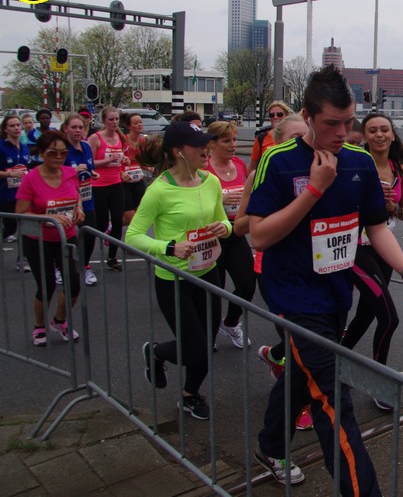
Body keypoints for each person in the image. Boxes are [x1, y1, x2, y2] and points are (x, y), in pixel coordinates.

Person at [247, 65, 403, 490]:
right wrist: (314, 189)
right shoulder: (279, 160)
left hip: (335, 292)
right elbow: (258, 235)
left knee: (301, 375)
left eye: (348, 122)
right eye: (332, 123)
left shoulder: (359, 162)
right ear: (309, 116)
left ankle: (270, 445)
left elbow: (376, 226)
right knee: (332, 396)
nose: (343, 133)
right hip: (293, 296)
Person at [126, 121, 231, 421]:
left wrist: (222, 227)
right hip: (174, 280)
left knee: (206, 345)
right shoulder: (158, 190)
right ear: (178, 152)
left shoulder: (211, 182)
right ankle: (156, 353)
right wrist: (169, 248)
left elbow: (225, 221)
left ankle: (189, 395)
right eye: (199, 145)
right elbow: (132, 236)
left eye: (207, 143)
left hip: (208, 273)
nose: (206, 149)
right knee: (194, 349)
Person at [241, 114, 316, 431]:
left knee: (309, 340)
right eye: (294, 139)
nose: (302, 144)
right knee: (301, 344)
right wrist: (275, 213)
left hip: (313, 265)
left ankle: (275, 357)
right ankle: (296, 408)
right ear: (276, 143)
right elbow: (241, 226)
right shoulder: (263, 173)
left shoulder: (321, 170)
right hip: (274, 268)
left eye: (306, 136)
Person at [340, 112, 403, 411]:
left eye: (385, 129)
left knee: (366, 314)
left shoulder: (401, 170)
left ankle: (334, 361)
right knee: (388, 317)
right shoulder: (357, 164)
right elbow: (342, 207)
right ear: (365, 137)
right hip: (356, 248)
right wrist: (370, 201)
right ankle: (378, 383)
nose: (380, 135)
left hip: (383, 248)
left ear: (393, 135)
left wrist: (392, 207)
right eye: (373, 130)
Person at [16, 130, 84, 347]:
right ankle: (39, 326)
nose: (58, 157)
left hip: (67, 237)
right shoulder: (30, 178)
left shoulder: (70, 173)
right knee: (46, 286)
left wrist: (79, 209)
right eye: (52, 153)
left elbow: (76, 196)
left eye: (63, 153)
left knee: (74, 284)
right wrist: (49, 217)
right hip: (38, 239)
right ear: (42, 153)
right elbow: (21, 212)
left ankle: (60, 320)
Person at [205, 120, 254, 349]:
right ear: (212, 144)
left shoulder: (240, 165)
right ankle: (208, 334)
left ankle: (231, 323)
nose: (233, 144)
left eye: (234, 139)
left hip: (235, 232)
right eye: (227, 141)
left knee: (247, 285)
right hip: (212, 235)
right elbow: (194, 202)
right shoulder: (204, 169)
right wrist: (220, 199)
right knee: (214, 290)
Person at [89, 106, 128, 272]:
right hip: (99, 185)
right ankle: (84, 252)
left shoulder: (119, 137)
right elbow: (89, 163)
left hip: (116, 183)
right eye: (111, 119)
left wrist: (123, 160)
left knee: (118, 221)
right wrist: (107, 160)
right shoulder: (95, 138)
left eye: (117, 119)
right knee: (101, 223)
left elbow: (119, 158)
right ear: (104, 120)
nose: (114, 122)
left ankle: (112, 257)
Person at [62, 114, 99, 286]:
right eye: (74, 127)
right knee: (65, 236)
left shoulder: (86, 146)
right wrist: (73, 171)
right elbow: (54, 173)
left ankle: (85, 265)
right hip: (67, 200)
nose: (78, 131)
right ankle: (60, 267)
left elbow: (90, 167)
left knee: (89, 233)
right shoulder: (62, 149)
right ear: (65, 129)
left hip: (86, 198)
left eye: (80, 127)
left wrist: (92, 173)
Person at [0, 113, 31, 254]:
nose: (16, 128)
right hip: (6, 193)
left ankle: (23, 258)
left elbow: (27, 167)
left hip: (23, 194)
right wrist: (9, 174)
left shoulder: (24, 147)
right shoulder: (1, 147)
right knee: (10, 227)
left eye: (18, 125)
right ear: (5, 129)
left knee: (26, 226)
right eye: (12, 126)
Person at [247, 101, 291, 175]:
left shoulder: (294, 136)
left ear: (287, 116)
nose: (275, 117)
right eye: (272, 115)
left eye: (279, 114)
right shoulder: (261, 138)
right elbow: (252, 166)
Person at [121, 112, 148, 227]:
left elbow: (141, 160)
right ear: (129, 126)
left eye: (140, 122)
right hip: (125, 181)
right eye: (136, 123)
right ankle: (113, 224)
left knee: (140, 215)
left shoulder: (143, 141)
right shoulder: (123, 140)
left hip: (138, 180)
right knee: (129, 218)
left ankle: (135, 236)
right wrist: (121, 172)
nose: (139, 125)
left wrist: (149, 167)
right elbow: (115, 160)